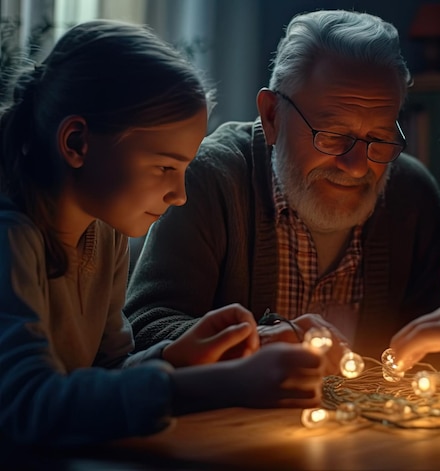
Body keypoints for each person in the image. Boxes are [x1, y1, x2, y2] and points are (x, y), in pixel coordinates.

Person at [0, 20, 324, 447]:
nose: (180, 195)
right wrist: (216, 386)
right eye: (164, 167)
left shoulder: (104, 232)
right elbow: (25, 403)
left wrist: (179, 358)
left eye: (185, 169)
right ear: (76, 141)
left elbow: (104, 373)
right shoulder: (11, 237)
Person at [124, 9, 440, 361]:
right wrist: (262, 341)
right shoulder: (211, 179)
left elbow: (433, 350)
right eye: (334, 136)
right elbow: (144, 329)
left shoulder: (413, 197)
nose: (357, 168)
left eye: (379, 138)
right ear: (272, 116)